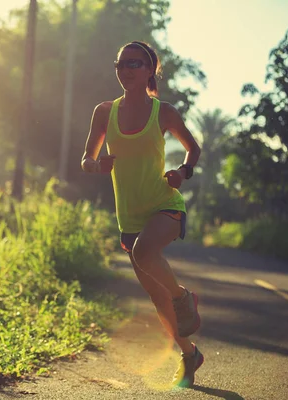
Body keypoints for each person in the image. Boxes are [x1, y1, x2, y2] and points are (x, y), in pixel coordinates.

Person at [80, 40, 203, 388]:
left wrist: (183, 173)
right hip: (129, 216)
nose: (127, 70)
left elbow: (193, 148)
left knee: (145, 253)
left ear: (150, 70)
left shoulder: (163, 112)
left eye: (135, 64)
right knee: (156, 297)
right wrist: (95, 166)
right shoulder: (104, 111)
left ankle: (184, 297)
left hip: (164, 204)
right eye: (121, 64)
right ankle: (190, 352)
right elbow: (86, 159)